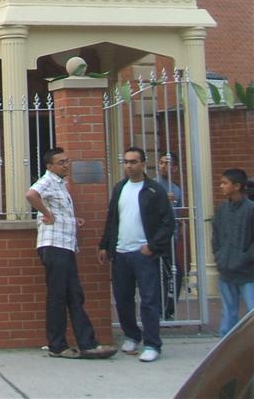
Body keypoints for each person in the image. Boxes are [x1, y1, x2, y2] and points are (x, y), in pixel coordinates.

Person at [26, 147, 115, 359]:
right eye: (61, 162)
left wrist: (73, 221)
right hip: (54, 246)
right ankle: (61, 345)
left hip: (64, 245)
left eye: (67, 161)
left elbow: (58, 211)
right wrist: (46, 214)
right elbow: (31, 194)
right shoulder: (47, 180)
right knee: (60, 296)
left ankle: (84, 343)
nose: (66, 165)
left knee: (73, 294)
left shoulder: (60, 185)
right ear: (50, 166)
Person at [98, 147, 174, 363]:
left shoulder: (154, 190)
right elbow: (112, 219)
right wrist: (104, 245)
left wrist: (152, 246)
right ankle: (132, 335)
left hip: (143, 254)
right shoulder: (119, 188)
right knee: (122, 299)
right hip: (120, 253)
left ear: (143, 164)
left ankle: (152, 344)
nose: (129, 166)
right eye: (126, 162)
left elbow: (167, 224)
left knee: (149, 300)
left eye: (133, 161)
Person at [212, 168, 254, 337]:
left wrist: (245, 258)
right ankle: (225, 346)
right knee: (228, 312)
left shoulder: (251, 210)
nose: (221, 186)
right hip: (226, 270)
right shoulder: (222, 209)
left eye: (225, 183)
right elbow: (216, 235)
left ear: (237, 186)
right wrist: (219, 256)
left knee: (252, 310)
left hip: (248, 272)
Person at [155, 153, 188, 318]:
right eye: (160, 163)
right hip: (157, 237)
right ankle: (163, 311)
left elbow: (179, 215)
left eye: (166, 163)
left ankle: (166, 310)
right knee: (167, 274)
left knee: (173, 274)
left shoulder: (176, 189)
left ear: (174, 168)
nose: (162, 166)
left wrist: (180, 230)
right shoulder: (152, 185)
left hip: (172, 238)